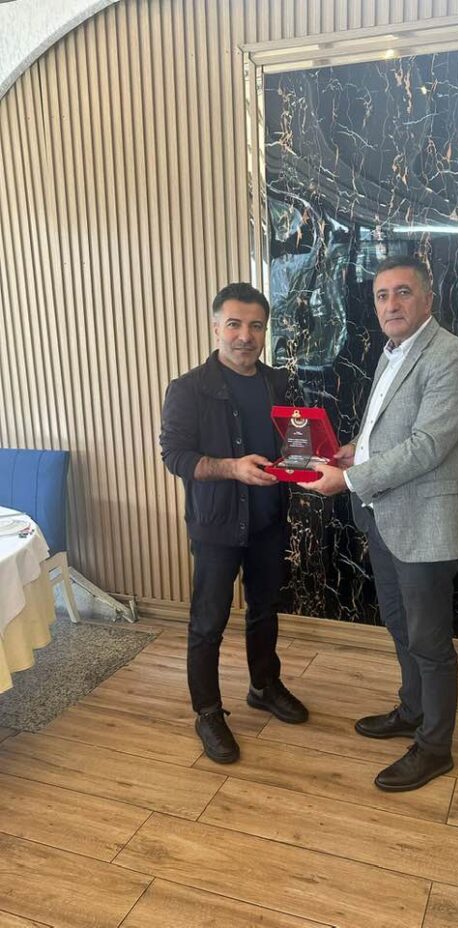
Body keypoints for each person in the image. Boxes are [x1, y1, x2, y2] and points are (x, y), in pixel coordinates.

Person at [300, 256, 458, 792]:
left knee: (430, 642)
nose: (391, 304)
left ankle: (435, 748)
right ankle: (412, 710)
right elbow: (386, 430)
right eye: (382, 296)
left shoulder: (452, 355)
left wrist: (349, 479)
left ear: (427, 299)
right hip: (384, 518)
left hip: (425, 523)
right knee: (402, 627)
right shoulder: (392, 352)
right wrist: (352, 450)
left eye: (403, 292)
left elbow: (428, 445)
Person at [160, 282, 308, 764]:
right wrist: (232, 468)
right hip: (216, 527)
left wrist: (311, 457)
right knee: (208, 624)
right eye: (234, 324)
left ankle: (263, 686)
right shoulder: (187, 389)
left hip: (268, 523)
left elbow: (295, 445)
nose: (245, 335)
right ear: (215, 327)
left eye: (256, 326)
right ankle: (207, 712)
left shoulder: (279, 384)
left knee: (265, 609)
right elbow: (175, 456)